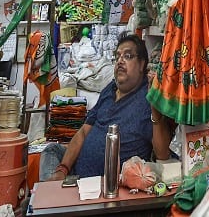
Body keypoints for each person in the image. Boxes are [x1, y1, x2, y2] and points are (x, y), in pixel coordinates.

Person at [40, 33, 171, 181]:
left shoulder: (148, 95)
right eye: (118, 56)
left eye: (128, 56)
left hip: (105, 183)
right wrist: (63, 169)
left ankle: (51, 195)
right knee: (51, 149)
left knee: (44, 195)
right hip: (76, 172)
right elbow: (83, 132)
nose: (120, 61)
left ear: (142, 64)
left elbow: (162, 153)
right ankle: (53, 190)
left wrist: (155, 106)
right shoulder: (110, 89)